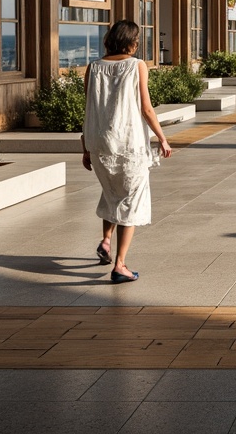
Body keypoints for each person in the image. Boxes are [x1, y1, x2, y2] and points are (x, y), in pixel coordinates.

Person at [81, 19, 172, 284]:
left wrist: (84, 146)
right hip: (128, 145)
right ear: (132, 41)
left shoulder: (94, 67)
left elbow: (89, 108)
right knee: (130, 202)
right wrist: (162, 138)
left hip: (99, 145)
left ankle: (106, 241)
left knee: (112, 192)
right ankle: (120, 265)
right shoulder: (137, 65)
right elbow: (146, 108)